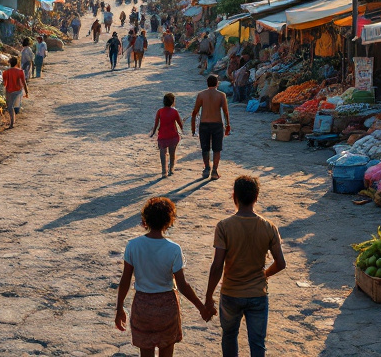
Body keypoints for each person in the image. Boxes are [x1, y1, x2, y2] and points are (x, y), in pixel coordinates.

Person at [203, 175, 286, 357]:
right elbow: (280, 263)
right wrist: (265, 274)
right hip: (257, 294)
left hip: (231, 293)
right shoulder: (268, 227)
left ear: (235, 196)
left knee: (229, 336)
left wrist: (209, 297)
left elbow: (217, 266)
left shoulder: (224, 226)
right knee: (257, 343)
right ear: (256, 197)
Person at [115, 197, 207, 356]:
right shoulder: (174, 249)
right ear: (168, 221)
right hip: (167, 308)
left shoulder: (133, 246)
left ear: (145, 220)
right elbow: (183, 285)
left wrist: (119, 309)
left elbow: (125, 280)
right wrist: (201, 308)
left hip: (142, 306)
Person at [191, 75, 231, 180]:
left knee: (205, 149)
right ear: (217, 83)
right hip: (217, 124)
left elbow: (195, 112)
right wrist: (228, 125)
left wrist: (193, 127)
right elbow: (225, 112)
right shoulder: (221, 95)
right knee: (217, 149)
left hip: (204, 124)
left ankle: (207, 168)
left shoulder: (201, 95)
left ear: (207, 83)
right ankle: (214, 171)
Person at [150, 93, 184, 178]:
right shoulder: (175, 112)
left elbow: (156, 124)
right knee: (172, 153)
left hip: (162, 135)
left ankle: (164, 171)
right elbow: (180, 124)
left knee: (163, 153)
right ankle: (171, 169)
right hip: (173, 135)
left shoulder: (160, 111)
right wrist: (182, 128)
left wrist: (153, 132)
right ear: (172, 102)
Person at [1, 56, 28, 129]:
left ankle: (12, 123)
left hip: (9, 90)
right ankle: (12, 121)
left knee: (10, 106)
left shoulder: (6, 72)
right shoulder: (20, 71)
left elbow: (4, 83)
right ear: (16, 63)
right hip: (17, 90)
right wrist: (26, 92)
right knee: (11, 106)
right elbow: (24, 83)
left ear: (10, 63)